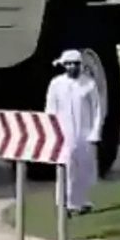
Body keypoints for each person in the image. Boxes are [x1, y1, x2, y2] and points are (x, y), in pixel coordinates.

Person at [45, 49, 103, 216]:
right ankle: (65, 203)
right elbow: (50, 110)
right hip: (64, 134)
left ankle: (81, 201)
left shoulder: (89, 84)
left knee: (84, 170)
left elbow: (97, 110)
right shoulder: (56, 84)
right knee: (66, 168)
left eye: (75, 64)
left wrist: (95, 132)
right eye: (68, 64)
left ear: (80, 65)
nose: (72, 67)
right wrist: (52, 132)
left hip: (85, 134)